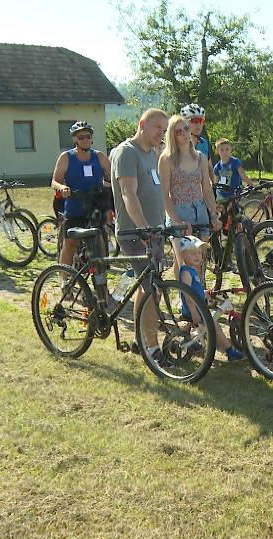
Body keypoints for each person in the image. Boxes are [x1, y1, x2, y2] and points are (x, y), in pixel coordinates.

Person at [110, 108, 170, 365]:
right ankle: (152, 349)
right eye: (158, 128)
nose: (162, 134)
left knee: (146, 289)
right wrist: (144, 227)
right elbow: (128, 194)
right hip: (134, 233)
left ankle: (139, 340)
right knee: (151, 289)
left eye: (164, 130)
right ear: (142, 124)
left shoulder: (150, 154)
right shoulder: (127, 152)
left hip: (152, 232)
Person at [159, 114, 221, 275]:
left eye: (186, 129)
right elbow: (164, 194)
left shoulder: (200, 157)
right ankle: (184, 297)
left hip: (200, 211)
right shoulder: (166, 159)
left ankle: (199, 295)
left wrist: (213, 214)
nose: (185, 134)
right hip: (178, 211)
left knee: (198, 260)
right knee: (182, 261)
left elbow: (206, 189)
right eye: (179, 131)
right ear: (172, 135)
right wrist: (177, 221)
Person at [50, 122, 113, 266]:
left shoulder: (99, 157)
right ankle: (64, 278)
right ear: (74, 139)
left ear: (92, 138)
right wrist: (63, 188)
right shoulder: (66, 157)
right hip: (75, 206)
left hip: (95, 206)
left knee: (100, 241)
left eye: (87, 137)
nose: (85, 140)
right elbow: (54, 181)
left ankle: (101, 279)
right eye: (81, 137)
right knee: (70, 243)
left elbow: (112, 177)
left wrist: (108, 182)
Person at [177, 235, 245, 362]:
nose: (198, 256)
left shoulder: (192, 270)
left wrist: (205, 293)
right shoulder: (186, 272)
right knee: (214, 325)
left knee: (210, 325)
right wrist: (193, 311)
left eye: (199, 253)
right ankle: (230, 352)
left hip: (199, 307)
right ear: (184, 256)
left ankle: (196, 342)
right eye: (193, 254)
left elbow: (195, 290)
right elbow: (187, 294)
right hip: (193, 309)